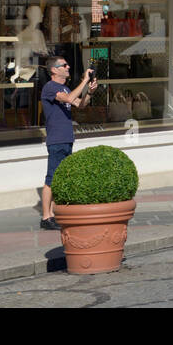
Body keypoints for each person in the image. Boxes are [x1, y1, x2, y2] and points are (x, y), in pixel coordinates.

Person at [39, 56, 97, 230]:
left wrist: (90, 92)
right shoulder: (50, 87)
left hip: (66, 138)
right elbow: (70, 98)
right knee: (51, 178)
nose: (68, 66)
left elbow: (80, 104)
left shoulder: (64, 87)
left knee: (61, 176)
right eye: (64, 65)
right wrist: (84, 80)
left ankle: (55, 213)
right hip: (56, 139)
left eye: (67, 63)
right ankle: (46, 217)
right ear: (54, 70)